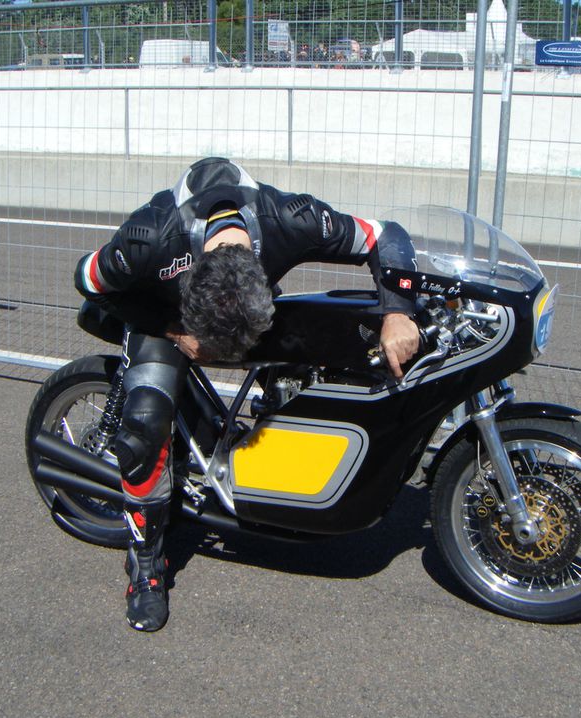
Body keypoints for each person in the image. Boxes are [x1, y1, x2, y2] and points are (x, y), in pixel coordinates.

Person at [74, 157, 420, 632]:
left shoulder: (291, 219)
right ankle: (146, 565)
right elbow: (89, 280)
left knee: (317, 357)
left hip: (246, 312)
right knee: (146, 423)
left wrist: (397, 311)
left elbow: (385, 235)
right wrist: (172, 331)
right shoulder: (150, 238)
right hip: (167, 320)